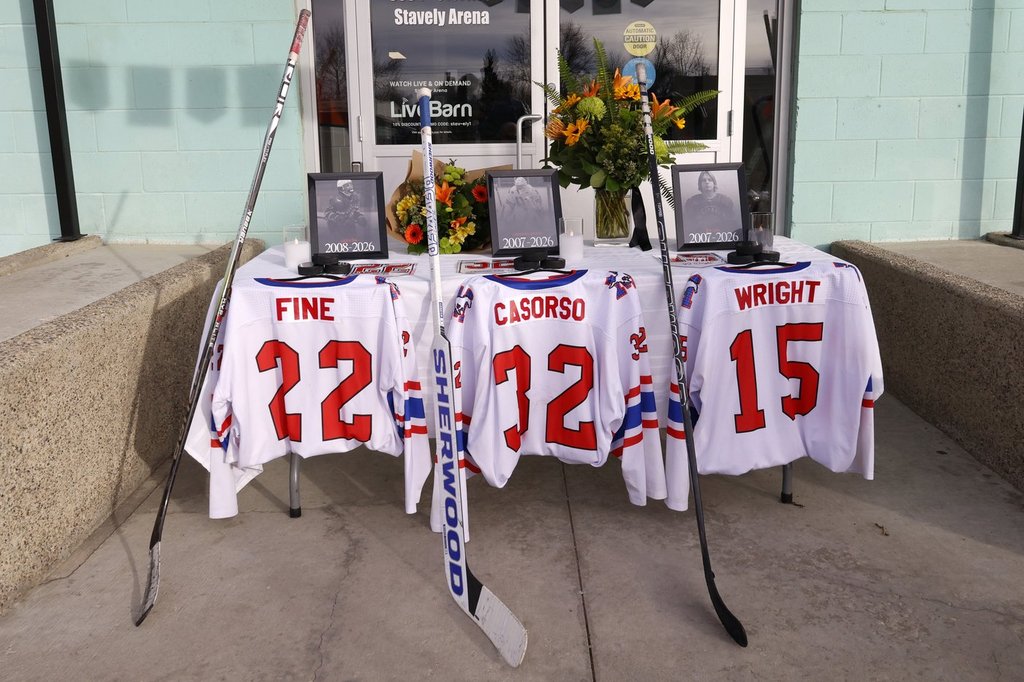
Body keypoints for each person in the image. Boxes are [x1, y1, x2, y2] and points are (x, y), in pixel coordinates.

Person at [682, 170, 738, 237]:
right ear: (700, 184)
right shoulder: (692, 202)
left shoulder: (725, 201)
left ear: (714, 183)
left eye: (710, 180)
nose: (707, 182)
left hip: (721, 239)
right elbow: (687, 226)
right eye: (704, 180)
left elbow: (732, 225)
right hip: (699, 240)